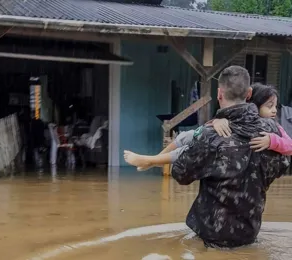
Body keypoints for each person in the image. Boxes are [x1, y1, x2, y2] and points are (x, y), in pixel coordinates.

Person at [171, 66, 289, 248]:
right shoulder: (272, 131)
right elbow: (283, 165)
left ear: (219, 94)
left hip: (212, 236)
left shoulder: (210, 136)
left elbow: (180, 174)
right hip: (251, 232)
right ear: (249, 93)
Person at [123, 83, 292, 169]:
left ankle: (151, 161)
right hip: (228, 152)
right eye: (269, 106)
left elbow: (290, 147)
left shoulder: (274, 128)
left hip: (238, 160)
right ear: (253, 104)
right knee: (188, 136)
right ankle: (155, 160)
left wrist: (272, 141)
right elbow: (211, 127)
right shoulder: (239, 116)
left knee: (191, 149)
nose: (274, 111)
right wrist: (218, 121)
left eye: (275, 106)